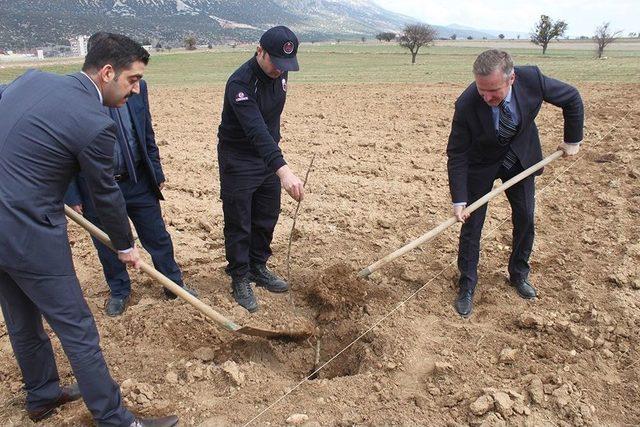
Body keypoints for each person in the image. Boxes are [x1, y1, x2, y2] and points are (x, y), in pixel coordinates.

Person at [0, 34, 177, 426]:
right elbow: (106, 194)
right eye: (132, 80)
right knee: (78, 328)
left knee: (21, 319)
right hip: (29, 233)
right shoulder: (95, 123)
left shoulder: (30, 79)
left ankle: (42, 395)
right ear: (107, 72)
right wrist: (125, 245)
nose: (136, 89)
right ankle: (115, 419)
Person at [66, 32, 197, 317]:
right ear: (103, 69)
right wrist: (73, 193)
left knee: (157, 235)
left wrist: (155, 169)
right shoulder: (78, 98)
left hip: (136, 178)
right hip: (96, 187)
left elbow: (146, 131)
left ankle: (173, 284)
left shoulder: (137, 89)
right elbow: (65, 150)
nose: (134, 86)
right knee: (108, 242)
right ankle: (120, 290)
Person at [446, 49, 584, 317]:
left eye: (493, 90)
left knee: (525, 217)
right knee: (472, 224)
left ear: (512, 79)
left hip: (520, 156)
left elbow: (572, 98)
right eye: (481, 89)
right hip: (481, 162)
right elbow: (457, 153)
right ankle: (467, 285)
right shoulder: (466, 103)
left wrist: (572, 140)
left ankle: (519, 274)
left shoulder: (532, 78)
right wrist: (459, 200)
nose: (485, 97)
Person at [217, 26, 305, 312]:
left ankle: (258, 266)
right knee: (239, 220)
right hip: (239, 158)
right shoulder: (239, 84)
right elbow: (256, 130)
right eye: (276, 63)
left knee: (267, 215)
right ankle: (239, 276)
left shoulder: (281, 72)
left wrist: (274, 160)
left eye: (285, 65)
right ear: (260, 51)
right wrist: (284, 169)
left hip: (266, 158)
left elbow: (271, 123)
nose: (280, 70)